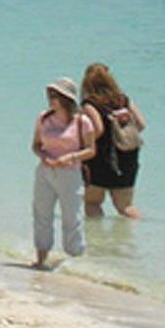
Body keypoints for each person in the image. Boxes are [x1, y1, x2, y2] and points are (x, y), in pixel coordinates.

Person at [30, 76, 102, 268]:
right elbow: (36, 145)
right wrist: (42, 156)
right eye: (50, 95)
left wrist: (69, 158)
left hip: (70, 174)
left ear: (66, 98)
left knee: (72, 217)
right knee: (41, 214)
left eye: (56, 96)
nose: (51, 99)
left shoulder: (82, 122)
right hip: (45, 172)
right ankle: (41, 257)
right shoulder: (44, 118)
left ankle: (75, 262)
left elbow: (91, 150)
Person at [79, 61, 145, 220]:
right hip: (128, 157)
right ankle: (135, 239)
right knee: (126, 207)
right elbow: (141, 125)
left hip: (100, 159)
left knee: (93, 203)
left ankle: (98, 243)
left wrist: (82, 145)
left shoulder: (90, 104)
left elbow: (98, 129)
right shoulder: (123, 100)